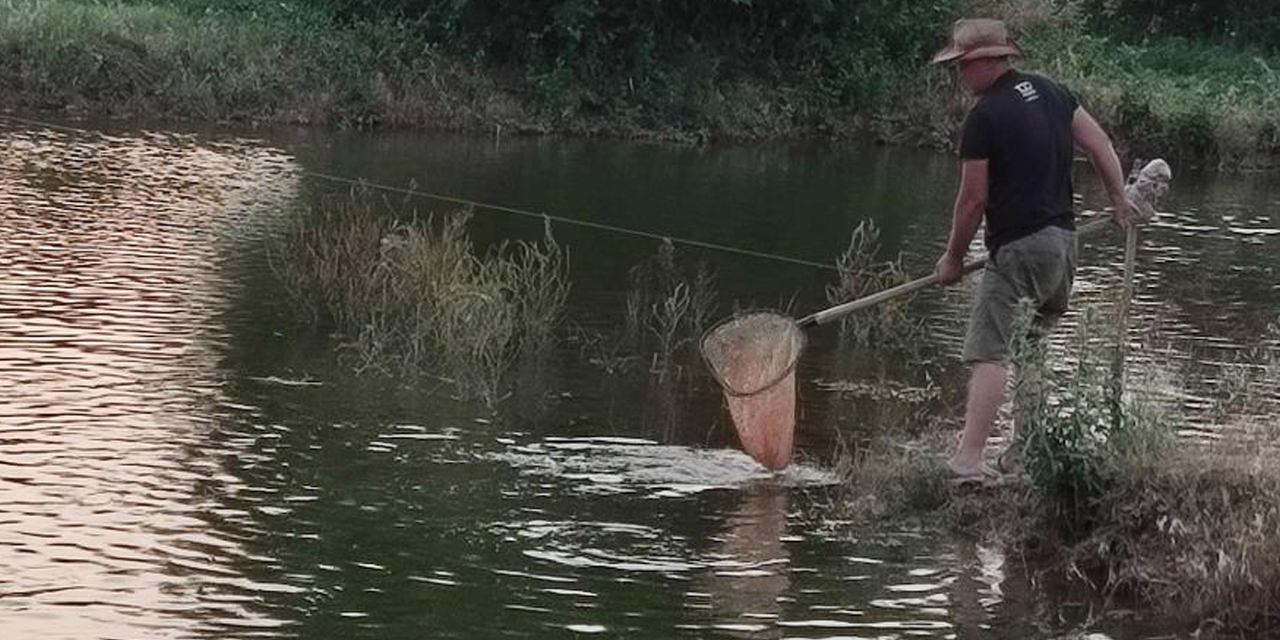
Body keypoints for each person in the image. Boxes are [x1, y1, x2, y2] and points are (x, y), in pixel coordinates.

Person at [930, 18, 1138, 479]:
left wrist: (953, 259)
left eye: (963, 66)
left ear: (988, 62)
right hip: (1063, 247)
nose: (961, 76)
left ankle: (968, 459)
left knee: (990, 350)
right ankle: (1025, 453)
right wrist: (1119, 200)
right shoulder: (1052, 91)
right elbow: (1100, 144)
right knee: (1030, 349)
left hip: (1019, 249)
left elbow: (972, 201)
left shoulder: (983, 117)